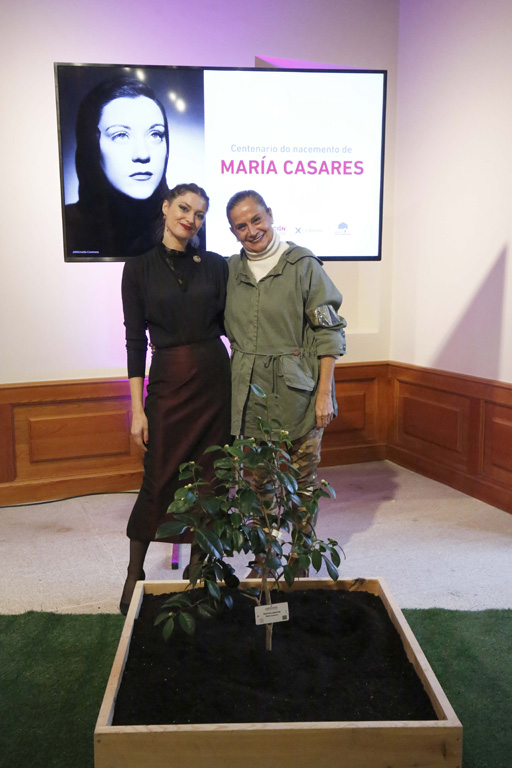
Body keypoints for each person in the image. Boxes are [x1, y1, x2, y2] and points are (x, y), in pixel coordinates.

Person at [119, 183, 231, 614]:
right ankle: (134, 573)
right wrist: (137, 410)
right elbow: (134, 342)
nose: (191, 219)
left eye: (200, 214)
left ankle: (198, 572)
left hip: (214, 385)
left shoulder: (216, 266)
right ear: (166, 208)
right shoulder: (138, 268)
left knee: (210, 478)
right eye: (184, 208)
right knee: (159, 475)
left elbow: (234, 324)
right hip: (167, 384)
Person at [224, 190, 346, 574]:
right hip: (249, 395)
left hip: (300, 395)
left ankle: (301, 559)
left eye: (256, 219)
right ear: (233, 232)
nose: (251, 230)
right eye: (241, 226)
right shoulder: (229, 271)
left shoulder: (303, 265)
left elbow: (329, 332)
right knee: (260, 483)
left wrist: (324, 395)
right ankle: (266, 556)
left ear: (270, 215)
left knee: (302, 485)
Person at [65, 77, 170, 260]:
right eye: (121, 135)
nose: (142, 154)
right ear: (91, 146)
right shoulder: (67, 227)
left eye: (155, 134)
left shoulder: (192, 228)